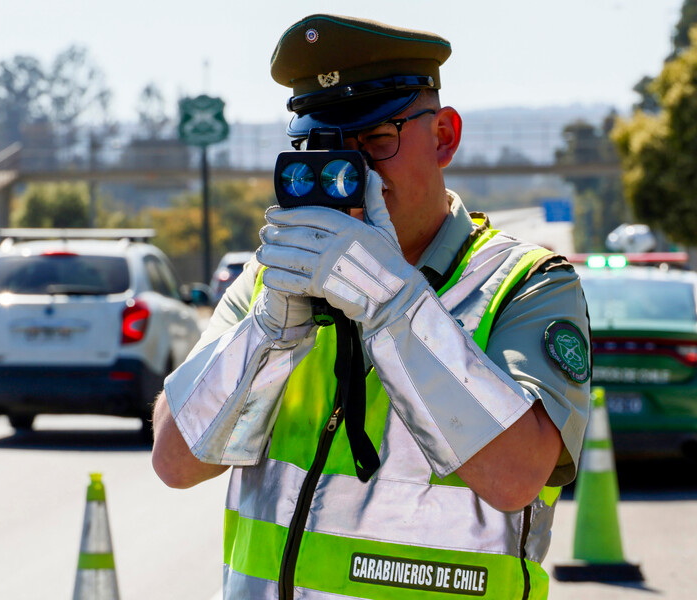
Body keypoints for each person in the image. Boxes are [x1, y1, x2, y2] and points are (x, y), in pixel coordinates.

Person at [152, 14, 591, 600]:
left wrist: (393, 302)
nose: (353, 177)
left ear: (443, 137)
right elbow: (176, 463)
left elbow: (515, 479)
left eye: (376, 143)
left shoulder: (525, 284)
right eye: (324, 150)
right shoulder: (271, 280)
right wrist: (265, 336)